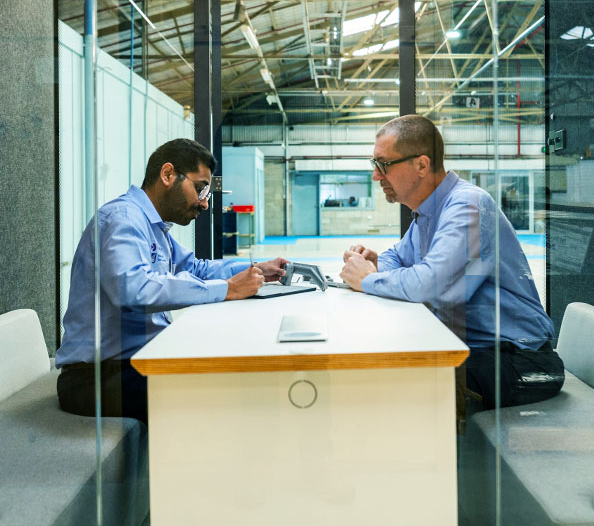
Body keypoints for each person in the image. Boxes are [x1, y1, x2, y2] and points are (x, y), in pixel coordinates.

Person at [340, 115, 564, 410]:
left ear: (421, 165)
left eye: (384, 165)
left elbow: (430, 286)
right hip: (478, 349)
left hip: (521, 360)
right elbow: (398, 258)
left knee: (400, 384)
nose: (377, 176)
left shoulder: (468, 206)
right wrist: (376, 264)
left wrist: (368, 279)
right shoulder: (428, 212)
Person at [56, 138, 288, 423]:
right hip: (97, 377)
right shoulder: (122, 219)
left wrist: (255, 269)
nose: (204, 203)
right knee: (218, 391)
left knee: (229, 363)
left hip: (133, 362)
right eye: (200, 188)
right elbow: (134, 290)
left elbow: (196, 268)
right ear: (168, 175)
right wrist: (228, 289)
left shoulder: (153, 227)